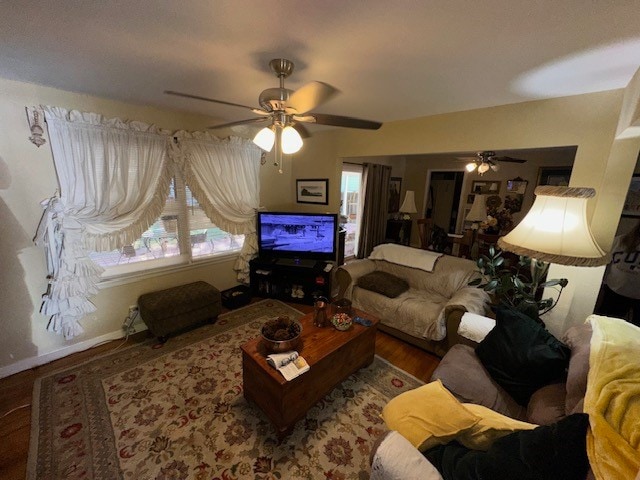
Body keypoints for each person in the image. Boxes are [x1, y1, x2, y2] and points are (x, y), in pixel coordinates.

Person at [596, 221, 640, 326]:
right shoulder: (619, 241)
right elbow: (605, 263)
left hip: (628, 291)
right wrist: (603, 283)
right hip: (615, 290)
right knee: (607, 324)